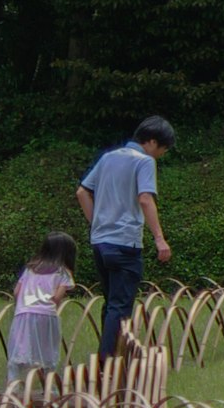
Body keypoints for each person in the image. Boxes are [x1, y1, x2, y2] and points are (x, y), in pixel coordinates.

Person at [73, 117, 176, 360]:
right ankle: (108, 362)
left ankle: (111, 355)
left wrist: (96, 223)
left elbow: (82, 192)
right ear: (151, 142)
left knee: (110, 304)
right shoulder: (144, 161)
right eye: (162, 149)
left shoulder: (109, 157)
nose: (161, 155)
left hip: (100, 241)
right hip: (125, 243)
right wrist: (159, 239)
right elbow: (145, 199)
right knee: (120, 305)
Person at [8, 233, 76, 385]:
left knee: (20, 348)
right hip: (47, 315)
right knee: (48, 351)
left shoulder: (30, 269)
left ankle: (13, 387)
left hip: (23, 313)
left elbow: (16, 292)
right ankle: (49, 387)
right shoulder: (63, 272)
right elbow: (57, 297)